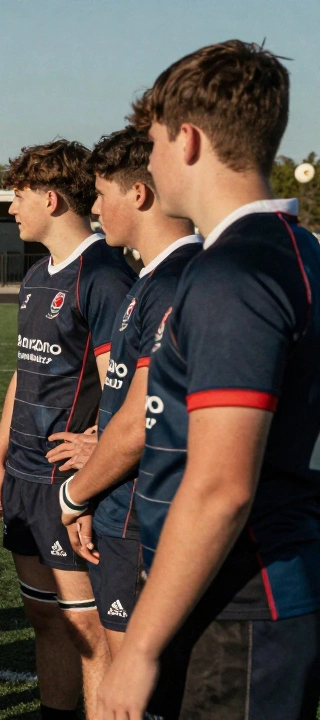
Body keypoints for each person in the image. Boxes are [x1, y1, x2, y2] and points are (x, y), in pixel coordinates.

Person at [97, 40, 320, 718]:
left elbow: (221, 487)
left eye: (154, 141)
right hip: (270, 589)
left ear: (187, 139)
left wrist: (136, 650)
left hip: (240, 602)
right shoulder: (296, 249)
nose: (152, 160)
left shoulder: (232, 277)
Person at [0, 139, 136, 719]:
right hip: (22, 477)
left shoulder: (103, 277)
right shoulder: (38, 275)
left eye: (17, 197)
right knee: (45, 618)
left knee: (89, 633)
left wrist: (96, 454)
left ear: (50, 198)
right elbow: (24, 374)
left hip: (69, 484)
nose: (11, 210)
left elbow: (123, 386)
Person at [51, 127, 200, 661]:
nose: (92, 208)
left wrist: (73, 495)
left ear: (138, 194)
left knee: (134, 680)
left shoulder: (173, 281)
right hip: (119, 508)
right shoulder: (149, 278)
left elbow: (141, 425)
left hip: (141, 519)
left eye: (99, 194)